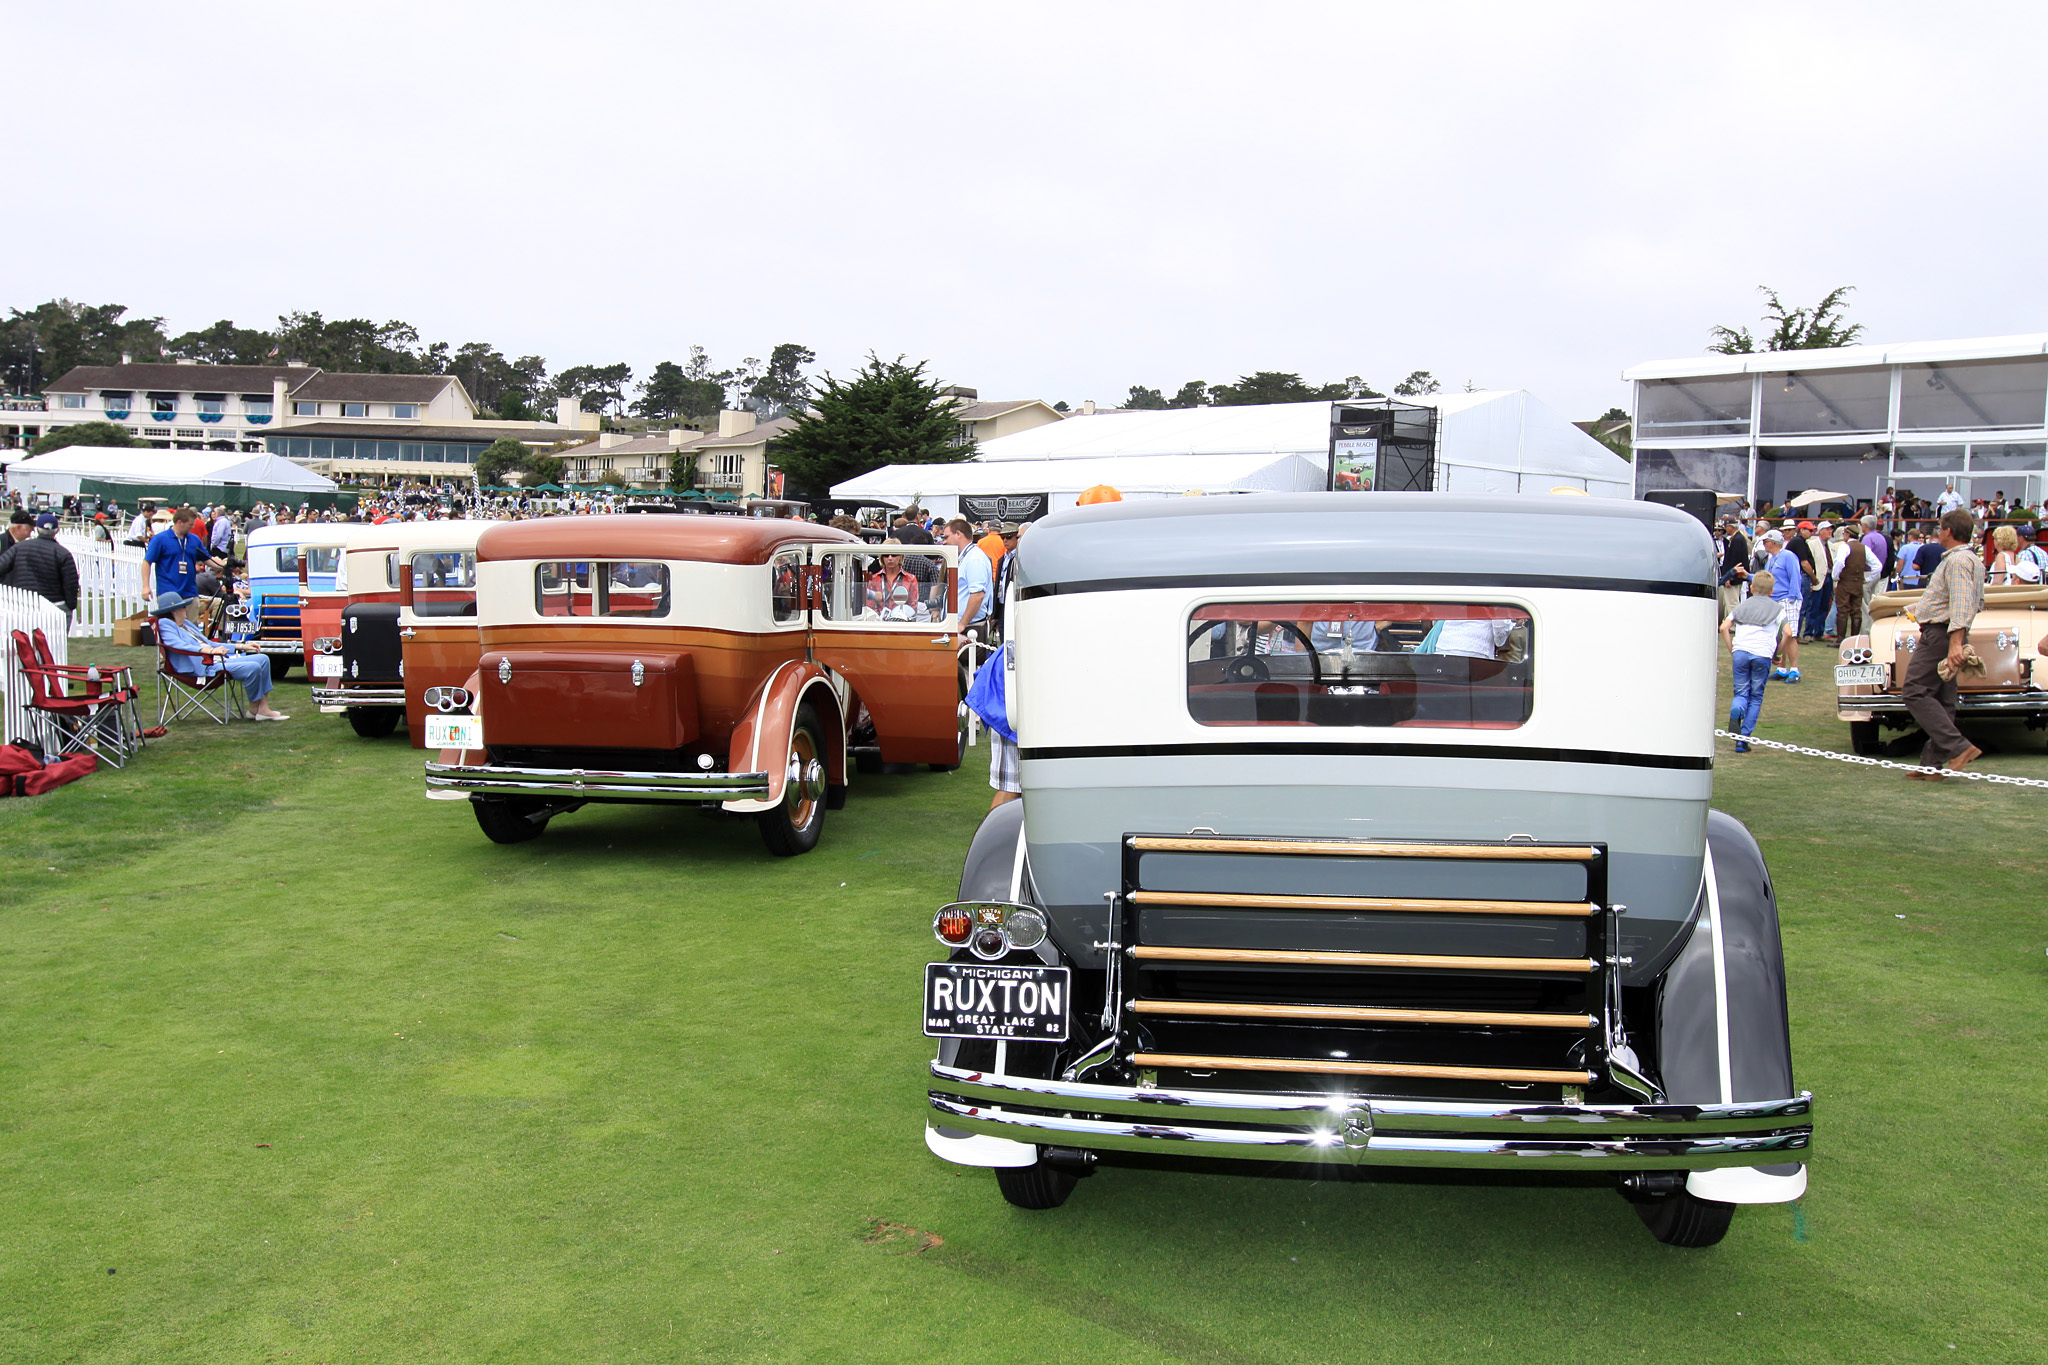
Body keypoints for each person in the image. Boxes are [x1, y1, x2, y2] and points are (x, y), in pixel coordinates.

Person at [1901, 508, 1984, 778]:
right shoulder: (1969, 559)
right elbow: (1971, 603)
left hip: (1941, 634)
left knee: (1914, 691)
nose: (1938, 532)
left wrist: (1955, 643)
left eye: (1940, 527)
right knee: (1943, 698)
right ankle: (1932, 765)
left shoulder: (1957, 561)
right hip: (1947, 632)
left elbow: (1960, 605)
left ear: (1948, 531)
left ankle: (1958, 747)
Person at [151, 591, 290, 720]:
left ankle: (262, 709)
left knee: (263, 658)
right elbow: (177, 645)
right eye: (182, 607)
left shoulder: (186, 624)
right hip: (203, 665)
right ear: (174, 611)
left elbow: (209, 643)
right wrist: (209, 652)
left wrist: (240, 646)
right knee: (253, 667)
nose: (186, 609)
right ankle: (255, 709)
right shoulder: (165, 624)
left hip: (215, 658)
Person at [1722, 569, 1791, 753]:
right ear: (1772, 591)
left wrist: (1732, 649)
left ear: (1751, 588)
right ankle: (1743, 739)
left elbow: (1724, 627)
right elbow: (1788, 633)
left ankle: (1737, 708)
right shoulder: (1777, 609)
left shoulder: (1742, 606)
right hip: (1762, 653)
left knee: (1741, 691)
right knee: (1756, 696)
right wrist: (1778, 653)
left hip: (1741, 652)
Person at [0, 512, 81, 626]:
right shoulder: (63, 553)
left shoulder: (18, 548)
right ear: (57, 530)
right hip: (55, 604)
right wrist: (70, 606)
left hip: (25, 605)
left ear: (37, 529)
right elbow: (71, 584)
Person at [144, 508, 221, 602]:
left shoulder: (194, 540)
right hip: (168, 592)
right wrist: (146, 586)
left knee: (191, 616)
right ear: (180, 522)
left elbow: (207, 559)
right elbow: (147, 562)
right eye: (190, 524)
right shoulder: (160, 539)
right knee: (170, 617)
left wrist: (224, 565)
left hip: (190, 593)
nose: (192, 527)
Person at [1761, 529, 1803, 681]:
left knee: (1789, 634)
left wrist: (1793, 598)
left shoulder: (1788, 556)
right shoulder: (1770, 560)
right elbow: (1767, 579)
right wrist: (1747, 576)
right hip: (1775, 600)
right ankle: (1782, 668)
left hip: (1788, 598)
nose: (1764, 544)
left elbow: (1795, 577)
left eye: (1765, 541)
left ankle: (1795, 670)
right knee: (1778, 636)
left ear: (1772, 542)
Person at [943, 518, 995, 635]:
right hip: (964, 626)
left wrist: (962, 624)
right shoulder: (966, 557)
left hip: (970, 628)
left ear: (958, 534)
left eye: (946, 537)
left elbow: (977, 595)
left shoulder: (974, 558)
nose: (944, 542)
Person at [863, 544, 921, 616]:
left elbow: (912, 606)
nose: (890, 558)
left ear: (900, 557)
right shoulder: (874, 578)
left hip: (901, 621)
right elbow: (870, 606)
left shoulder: (910, 579)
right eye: (886, 555)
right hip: (878, 622)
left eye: (894, 555)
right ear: (882, 558)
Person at [1834, 528, 1870, 639]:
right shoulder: (1864, 548)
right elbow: (1877, 565)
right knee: (1856, 611)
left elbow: (1840, 562)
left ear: (1848, 535)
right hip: (1858, 582)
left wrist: (1835, 576)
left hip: (1845, 582)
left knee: (1842, 610)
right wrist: (1868, 579)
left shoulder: (1845, 547)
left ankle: (1840, 639)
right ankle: (1854, 639)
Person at [1717, 518, 1751, 619]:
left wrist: (1730, 577)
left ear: (1730, 527)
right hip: (1736, 576)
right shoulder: (1737, 538)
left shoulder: (1736, 540)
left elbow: (1735, 560)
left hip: (1734, 577)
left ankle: (1734, 624)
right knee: (1732, 601)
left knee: (1732, 602)